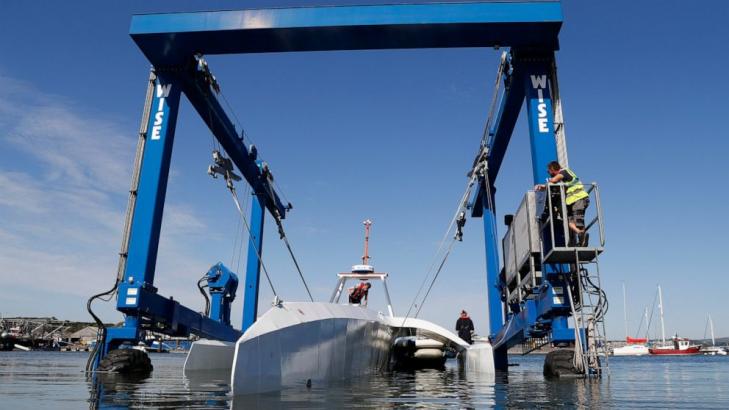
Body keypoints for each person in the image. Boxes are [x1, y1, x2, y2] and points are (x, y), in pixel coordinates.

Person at [536, 161, 590, 246]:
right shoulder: (563, 178)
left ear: (552, 169)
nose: (548, 173)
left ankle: (582, 240)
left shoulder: (563, 172)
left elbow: (553, 181)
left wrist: (545, 183)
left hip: (579, 198)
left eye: (548, 171)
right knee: (569, 221)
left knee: (578, 222)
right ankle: (580, 236)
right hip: (573, 201)